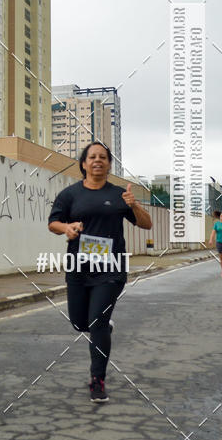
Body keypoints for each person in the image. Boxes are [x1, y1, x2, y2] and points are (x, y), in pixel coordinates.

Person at [48, 141, 152, 403]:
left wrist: (134, 205)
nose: (97, 160)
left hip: (111, 268)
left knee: (97, 323)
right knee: (79, 323)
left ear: (108, 164)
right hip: (78, 266)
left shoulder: (119, 194)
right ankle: (103, 326)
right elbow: (53, 223)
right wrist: (67, 229)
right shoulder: (70, 194)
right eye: (92, 157)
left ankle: (98, 380)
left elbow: (146, 224)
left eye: (103, 157)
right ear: (83, 164)